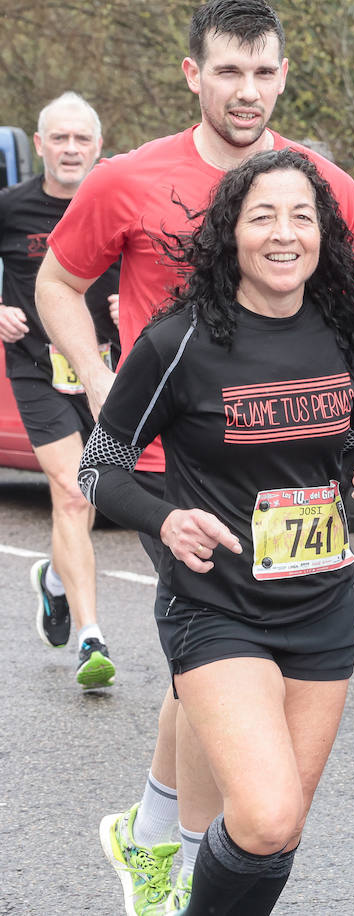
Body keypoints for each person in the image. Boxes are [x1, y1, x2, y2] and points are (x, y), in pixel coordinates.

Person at [35, 2, 354, 912]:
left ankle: (157, 836)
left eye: (264, 73)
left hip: (300, 510)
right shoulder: (127, 179)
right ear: (194, 73)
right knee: (248, 769)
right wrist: (102, 374)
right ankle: (180, 849)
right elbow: (59, 283)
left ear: (283, 74)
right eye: (229, 72)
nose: (248, 90)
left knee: (268, 807)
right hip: (167, 452)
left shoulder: (328, 186)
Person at [0, 91, 120, 688]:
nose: (71, 148)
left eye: (82, 139)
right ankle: (91, 637)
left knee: (89, 496)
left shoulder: (116, 203)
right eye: (60, 138)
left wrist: (138, 304)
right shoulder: (11, 207)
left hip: (107, 371)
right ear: (40, 144)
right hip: (37, 369)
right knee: (74, 495)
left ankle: (54, 578)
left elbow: (162, 272)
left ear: (99, 148)